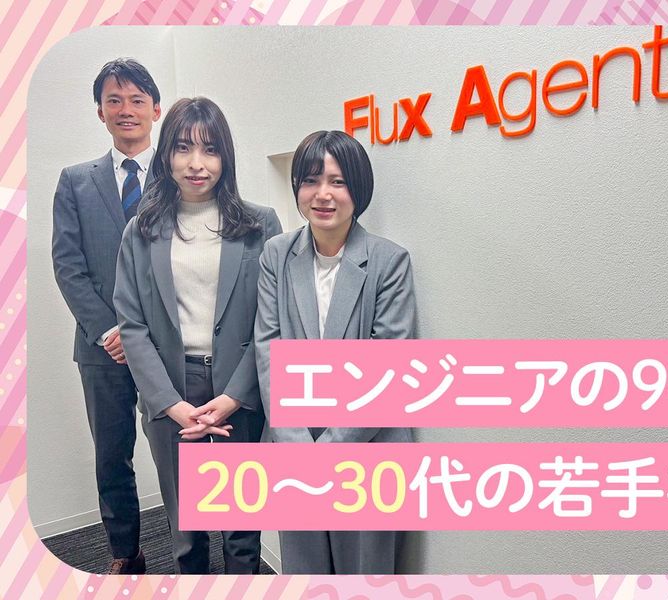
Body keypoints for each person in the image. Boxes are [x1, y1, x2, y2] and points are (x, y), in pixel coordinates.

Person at [113, 97, 282, 574]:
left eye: (210, 149)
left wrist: (234, 396)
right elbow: (132, 325)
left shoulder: (260, 225)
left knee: (242, 526)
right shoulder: (140, 231)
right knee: (186, 527)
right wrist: (170, 403)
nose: (196, 163)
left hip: (240, 387)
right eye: (183, 148)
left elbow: (272, 320)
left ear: (225, 156)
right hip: (171, 388)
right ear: (166, 154)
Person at [254, 130, 416, 574]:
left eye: (338, 181)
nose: (323, 194)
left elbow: (388, 369)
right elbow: (269, 349)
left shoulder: (388, 261)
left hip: (368, 448)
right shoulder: (276, 255)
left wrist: (325, 454)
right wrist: (297, 447)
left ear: (358, 189)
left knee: (364, 573)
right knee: (304, 571)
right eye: (311, 180)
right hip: (293, 446)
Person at [52, 58, 162, 575]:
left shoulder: (181, 174)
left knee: (179, 449)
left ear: (155, 109)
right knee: (112, 456)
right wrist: (110, 330)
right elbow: (68, 265)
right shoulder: (75, 181)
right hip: (102, 350)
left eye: (137, 99)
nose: (126, 109)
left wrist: (144, 331)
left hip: (166, 343)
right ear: (100, 111)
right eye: (114, 100)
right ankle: (126, 554)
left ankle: (191, 548)